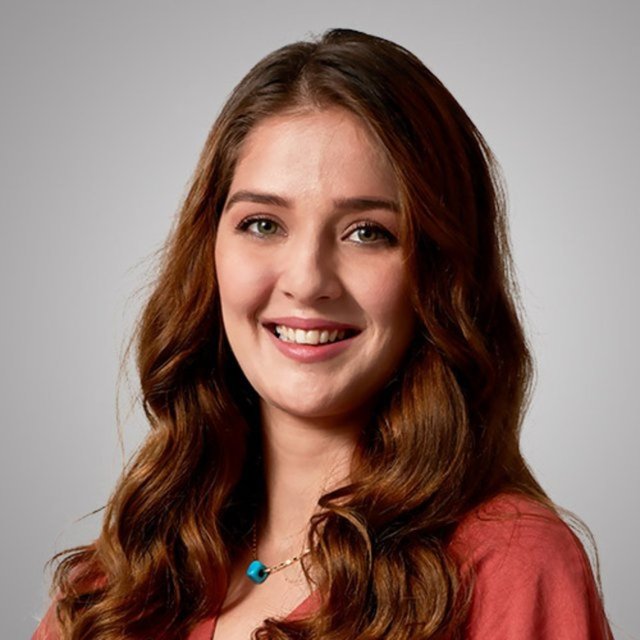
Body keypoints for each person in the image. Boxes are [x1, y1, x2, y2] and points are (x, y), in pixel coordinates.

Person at [33, 28, 613, 639]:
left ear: (442, 274)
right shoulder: (112, 591)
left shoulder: (510, 568)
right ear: (210, 250)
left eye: (367, 232)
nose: (308, 281)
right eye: (263, 224)